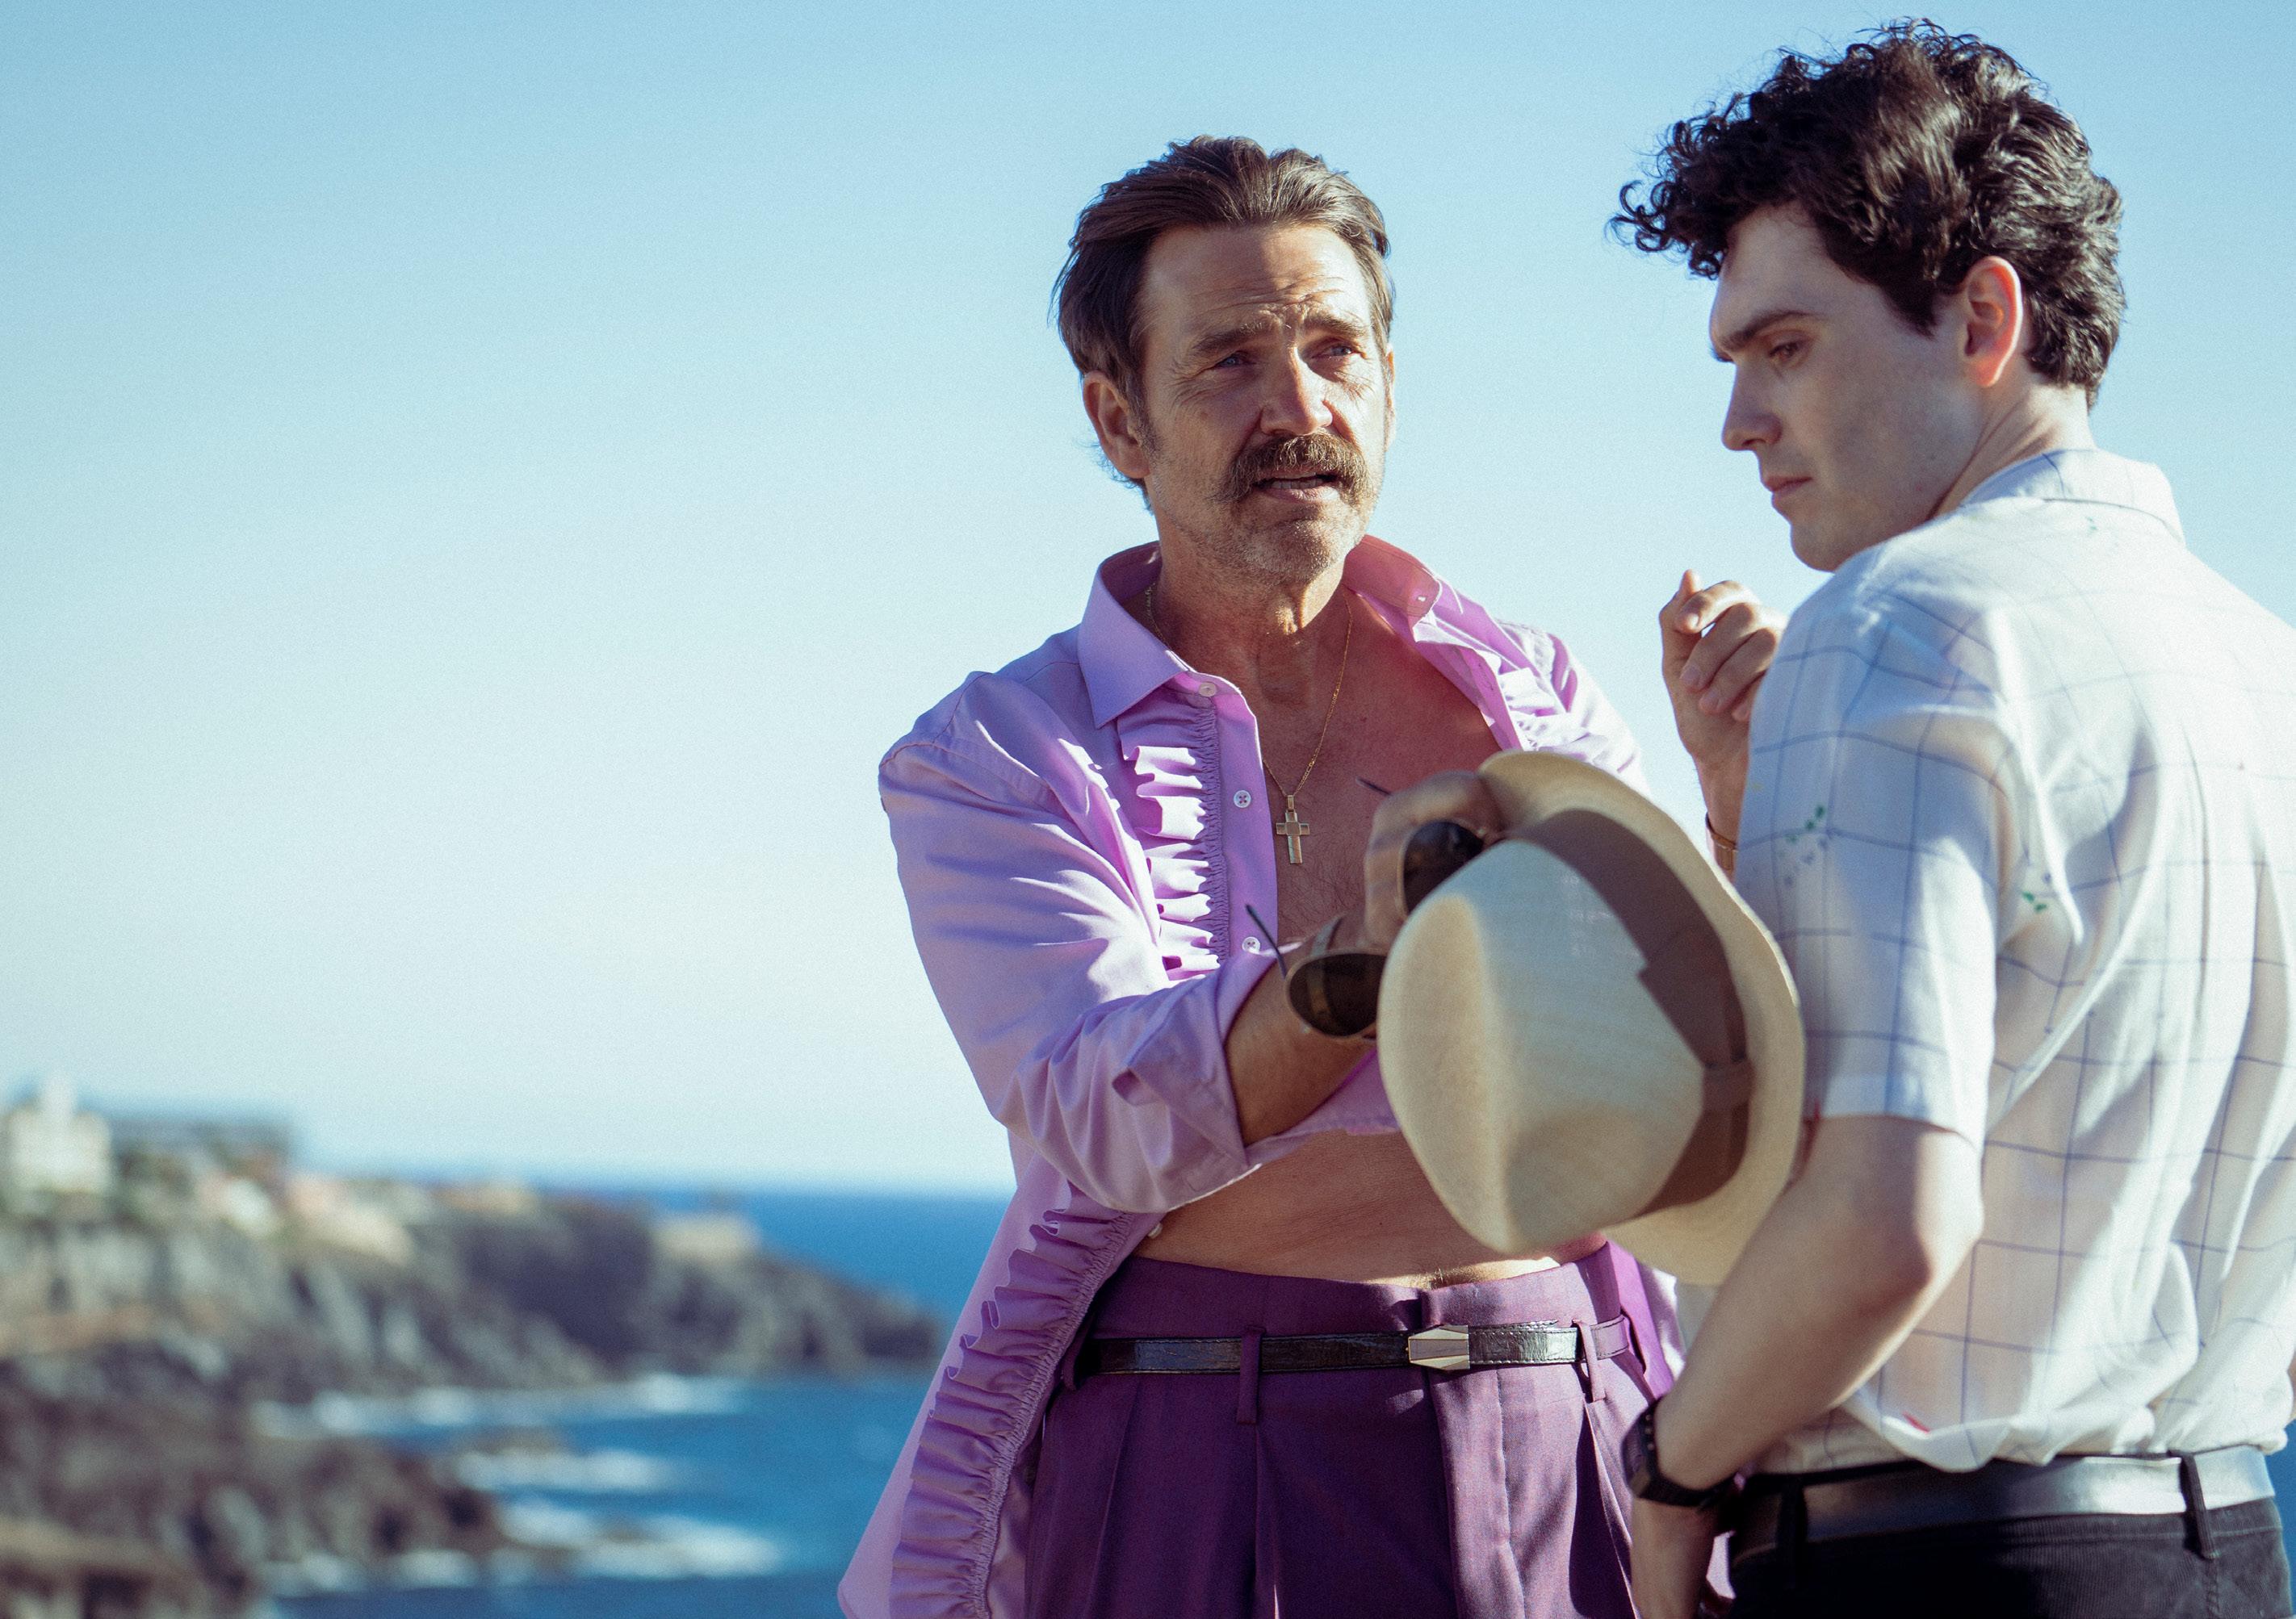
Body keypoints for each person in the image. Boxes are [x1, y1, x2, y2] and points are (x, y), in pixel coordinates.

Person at [839, 136, 1777, 1618]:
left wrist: (1734, 809)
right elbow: (1100, 1107)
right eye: (1228, 361)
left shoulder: (1531, 698)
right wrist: (1368, 961)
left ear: (1389, 380)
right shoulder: (995, 755)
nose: (1300, 407)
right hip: (1199, 1437)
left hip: (1567, 1426)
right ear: (1120, 418)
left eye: (1335, 349)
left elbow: (1697, 1070)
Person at [1594, 23, 2296, 1618]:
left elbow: (1883, 1221)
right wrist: (1749, 811)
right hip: (2228, 1547)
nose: (1739, 420)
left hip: (1928, 1566)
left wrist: (1672, 1476)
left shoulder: (1895, 622)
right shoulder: (2265, 666)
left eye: (1784, 347)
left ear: (1984, 319)